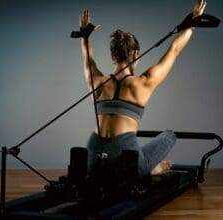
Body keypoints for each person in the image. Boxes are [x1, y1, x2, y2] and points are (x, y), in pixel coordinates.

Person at [80, 0, 206, 176]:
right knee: (169, 135)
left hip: (94, 155)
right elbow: (174, 51)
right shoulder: (143, 83)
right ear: (136, 54)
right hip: (125, 157)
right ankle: (150, 168)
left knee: (130, 151)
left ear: (112, 57)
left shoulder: (97, 82)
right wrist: (192, 24)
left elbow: (88, 59)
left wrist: (85, 35)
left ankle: (143, 165)